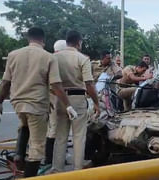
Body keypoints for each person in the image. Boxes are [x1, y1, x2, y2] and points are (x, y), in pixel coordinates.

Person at [0, 27, 77, 177]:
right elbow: (55, 85)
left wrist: (0, 102)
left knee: (24, 124)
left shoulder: (13, 55)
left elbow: (6, 82)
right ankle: (29, 176)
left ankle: (19, 155)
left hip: (18, 103)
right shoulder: (48, 57)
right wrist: (69, 105)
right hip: (37, 105)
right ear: (43, 40)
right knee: (37, 147)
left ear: (28, 38)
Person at [51, 30, 100, 172]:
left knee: (60, 137)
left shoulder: (55, 58)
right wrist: (96, 103)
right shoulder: (82, 58)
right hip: (78, 99)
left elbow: (51, 82)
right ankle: (78, 169)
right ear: (79, 42)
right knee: (79, 136)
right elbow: (89, 84)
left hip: (60, 99)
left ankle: (57, 170)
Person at [44, 40, 67, 165]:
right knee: (55, 128)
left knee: (51, 127)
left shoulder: (48, 58)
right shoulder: (57, 60)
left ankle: (50, 158)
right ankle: (51, 159)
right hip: (55, 96)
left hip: (47, 96)